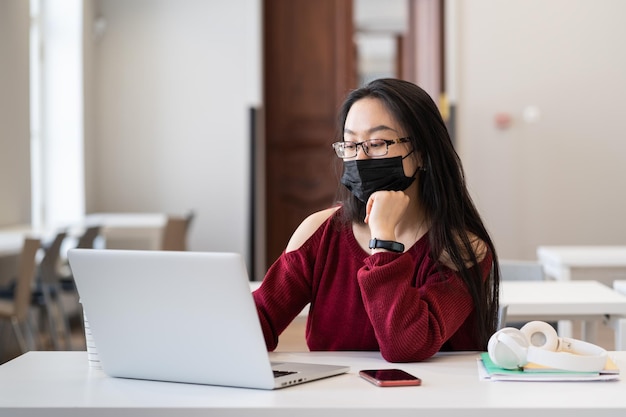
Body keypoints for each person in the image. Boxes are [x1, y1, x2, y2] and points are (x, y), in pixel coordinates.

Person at [253, 78, 500, 362]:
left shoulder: (462, 249)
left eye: (377, 143)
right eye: (351, 144)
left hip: (429, 401)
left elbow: (405, 346)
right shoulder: (320, 232)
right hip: (333, 399)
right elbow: (257, 322)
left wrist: (383, 241)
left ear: (421, 153)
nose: (361, 157)